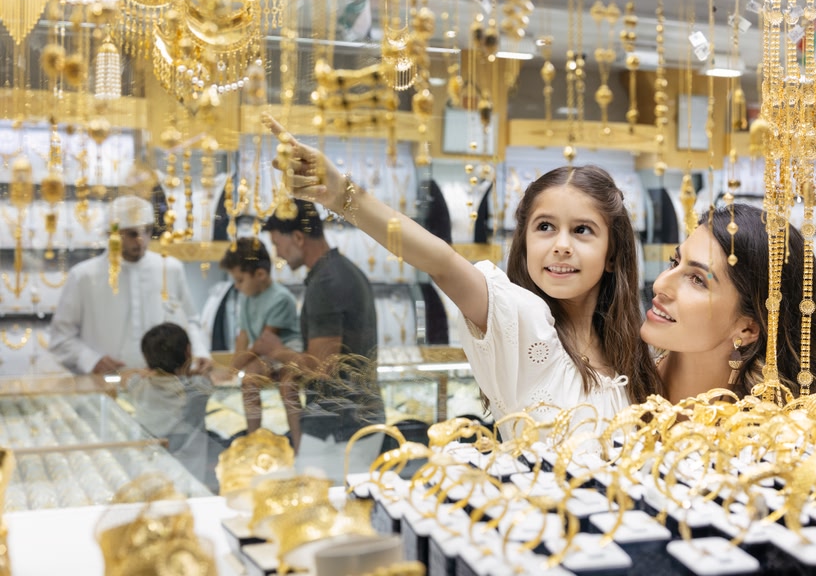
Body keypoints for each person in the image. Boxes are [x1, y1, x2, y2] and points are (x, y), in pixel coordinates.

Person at [259, 113, 662, 433]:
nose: (561, 244)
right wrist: (341, 195)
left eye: (582, 230)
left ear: (612, 253)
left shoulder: (636, 348)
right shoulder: (520, 319)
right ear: (525, 241)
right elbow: (441, 261)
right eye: (544, 227)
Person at [641, 205, 816, 402]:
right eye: (674, 262)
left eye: (698, 280)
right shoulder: (618, 388)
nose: (660, 284)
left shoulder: (769, 428)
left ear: (748, 329)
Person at [254, 198, 384, 476]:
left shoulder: (327, 282)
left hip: (339, 430)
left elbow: (322, 367)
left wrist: (276, 350)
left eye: (277, 244)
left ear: (298, 238)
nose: (277, 253)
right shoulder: (341, 271)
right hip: (348, 423)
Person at [49, 195, 212, 374]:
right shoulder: (84, 276)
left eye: (147, 231)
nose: (141, 240)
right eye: (132, 233)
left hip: (162, 386)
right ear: (112, 234)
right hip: (106, 387)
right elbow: (61, 338)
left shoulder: (170, 268)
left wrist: (199, 352)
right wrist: (91, 360)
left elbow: (190, 321)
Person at [218, 237, 304, 442]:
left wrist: (232, 369)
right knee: (249, 379)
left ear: (261, 274)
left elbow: (264, 341)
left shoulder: (281, 298)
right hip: (265, 353)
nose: (237, 287)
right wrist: (234, 366)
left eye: (240, 280)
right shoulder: (246, 297)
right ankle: (253, 438)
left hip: (286, 351)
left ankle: (300, 442)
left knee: (288, 387)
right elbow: (244, 336)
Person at [124, 322, 213, 485]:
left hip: (149, 471)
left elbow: (130, 378)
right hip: (189, 476)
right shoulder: (196, 391)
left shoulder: (137, 385)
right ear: (188, 351)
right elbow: (204, 380)